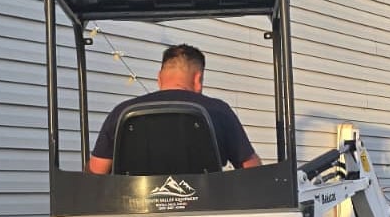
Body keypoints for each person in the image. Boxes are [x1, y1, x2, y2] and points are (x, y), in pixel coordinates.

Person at [87, 44, 261, 174]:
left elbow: (95, 173)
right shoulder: (219, 111)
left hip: (136, 209)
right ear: (198, 79)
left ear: (159, 78)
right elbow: (252, 171)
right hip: (207, 208)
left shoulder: (122, 112)